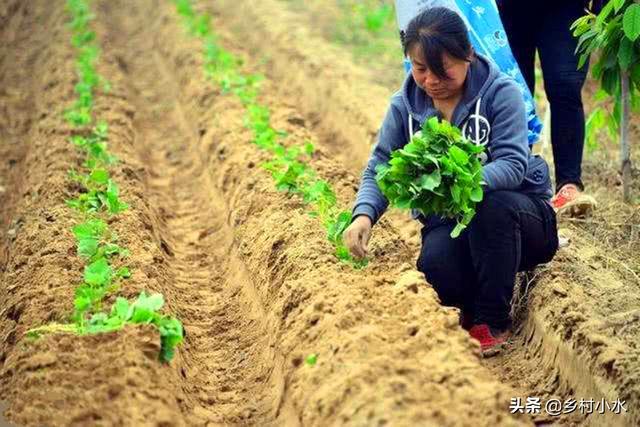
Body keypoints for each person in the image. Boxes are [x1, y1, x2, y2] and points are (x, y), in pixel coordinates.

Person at [343, 7, 559, 356]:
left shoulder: (500, 93)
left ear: (468, 55)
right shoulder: (404, 106)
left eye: (442, 70)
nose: (430, 81)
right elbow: (380, 166)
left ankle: (493, 319)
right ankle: (474, 296)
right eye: (420, 69)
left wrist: (456, 178)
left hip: (520, 217)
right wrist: (363, 214)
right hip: (451, 221)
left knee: (489, 206)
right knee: (437, 272)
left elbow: (513, 164)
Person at [497, 0, 600, 216]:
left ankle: (569, 186)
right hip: (507, 9)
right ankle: (516, 182)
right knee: (512, 91)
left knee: (565, 85)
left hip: (565, 8)